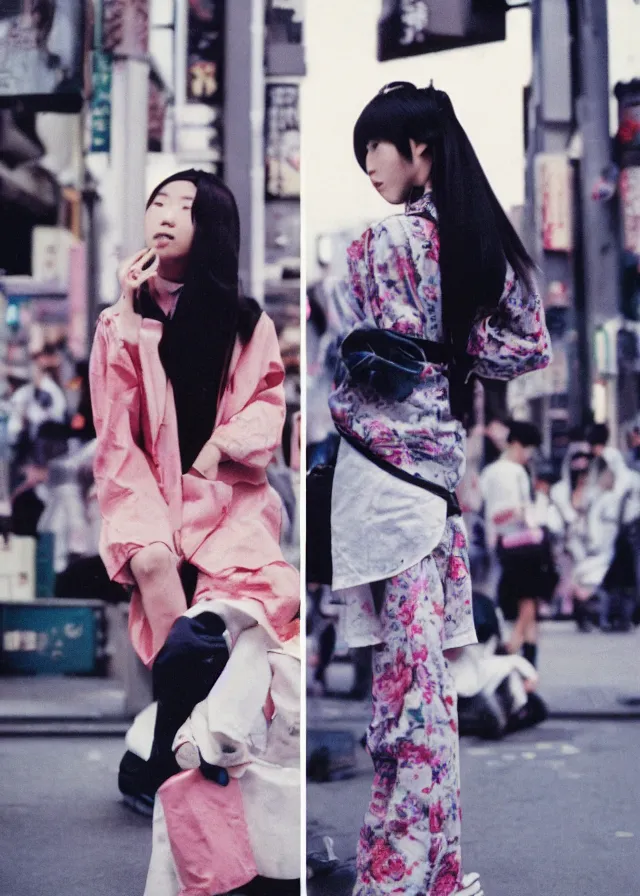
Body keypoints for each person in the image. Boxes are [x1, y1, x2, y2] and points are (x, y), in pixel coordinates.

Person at [328, 82, 551, 896]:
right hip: (435, 487)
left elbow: (354, 370)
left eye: (375, 149)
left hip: (383, 488)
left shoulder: (377, 243)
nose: (368, 166)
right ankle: (435, 872)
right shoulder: (475, 242)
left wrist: (414, 359)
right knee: (428, 698)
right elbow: (528, 347)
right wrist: (454, 352)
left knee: (403, 701)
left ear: (419, 149)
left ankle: (398, 878)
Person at [89, 169, 300, 895]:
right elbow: (114, 434)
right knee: (150, 561)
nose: (167, 215)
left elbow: (269, 402)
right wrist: (124, 313)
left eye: (186, 206)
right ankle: (176, 741)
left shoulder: (245, 319)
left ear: (212, 227)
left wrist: (219, 449)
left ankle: (173, 743)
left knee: (238, 617)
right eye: (157, 203)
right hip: (141, 483)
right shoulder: (121, 318)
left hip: (228, 493)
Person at [480, 421, 556, 668]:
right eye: (528, 447)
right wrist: (529, 512)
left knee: (529, 602)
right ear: (515, 444)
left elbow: (486, 508)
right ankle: (513, 647)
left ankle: (528, 658)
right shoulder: (516, 472)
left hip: (504, 544)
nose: (529, 454)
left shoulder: (489, 472)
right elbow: (512, 511)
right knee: (528, 600)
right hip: (524, 544)